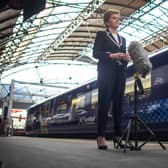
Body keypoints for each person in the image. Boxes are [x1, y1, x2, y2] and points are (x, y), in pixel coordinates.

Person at [93, 9, 130, 150]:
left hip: (120, 73)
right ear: (107, 21)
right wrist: (111, 55)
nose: (117, 20)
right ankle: (101, 136)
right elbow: (96, 53)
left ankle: (118, 135)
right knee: (105, 102)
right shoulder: (101, 35)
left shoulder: (123, 39)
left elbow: (124, 60)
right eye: (114, 18)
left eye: (118, 18)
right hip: (106, 73)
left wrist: (126, 59)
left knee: (118, 105)